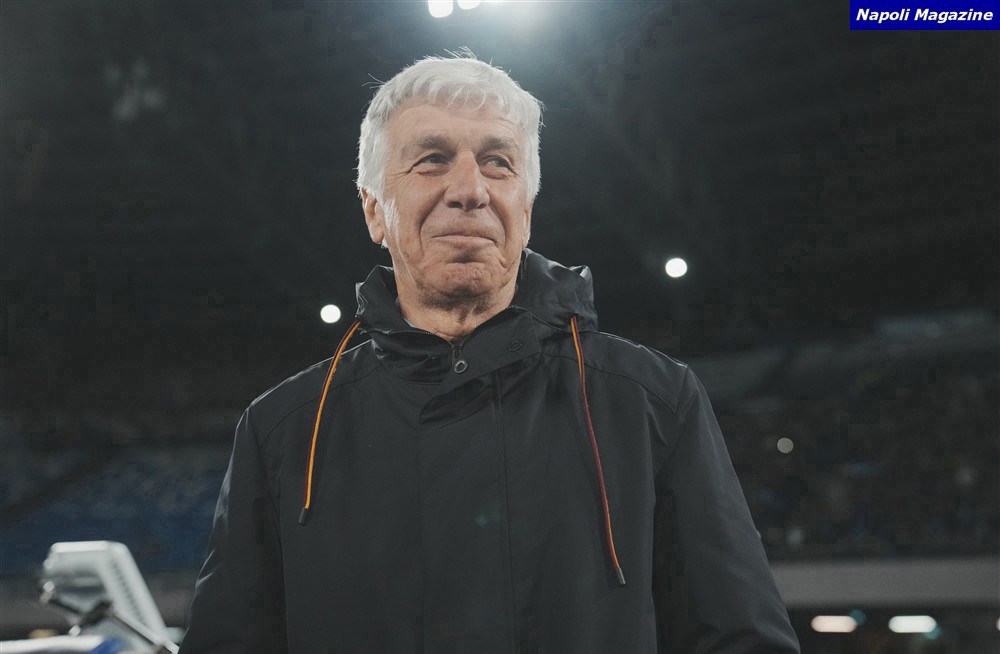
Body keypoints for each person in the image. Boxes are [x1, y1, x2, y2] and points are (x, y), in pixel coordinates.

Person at [180, 54, 801, 654]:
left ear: (525, 208)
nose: (469, 190)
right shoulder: (281, 431)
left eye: (498, 163)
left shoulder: (653, 402)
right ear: (374, 210)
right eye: (432, 160)